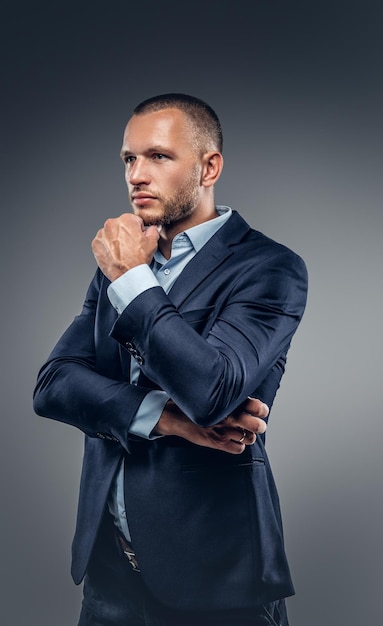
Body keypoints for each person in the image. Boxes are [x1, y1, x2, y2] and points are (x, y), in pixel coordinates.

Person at [33, 93, 308, 626]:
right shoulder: (117, 264)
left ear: (209, 167)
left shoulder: (269, 267)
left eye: (158, 157)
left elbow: (212, 390)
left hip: (214, 575)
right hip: (108, 570)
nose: (137, 174)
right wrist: (167, 419)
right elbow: (54, 384)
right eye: (129, 159)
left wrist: (133, 281)